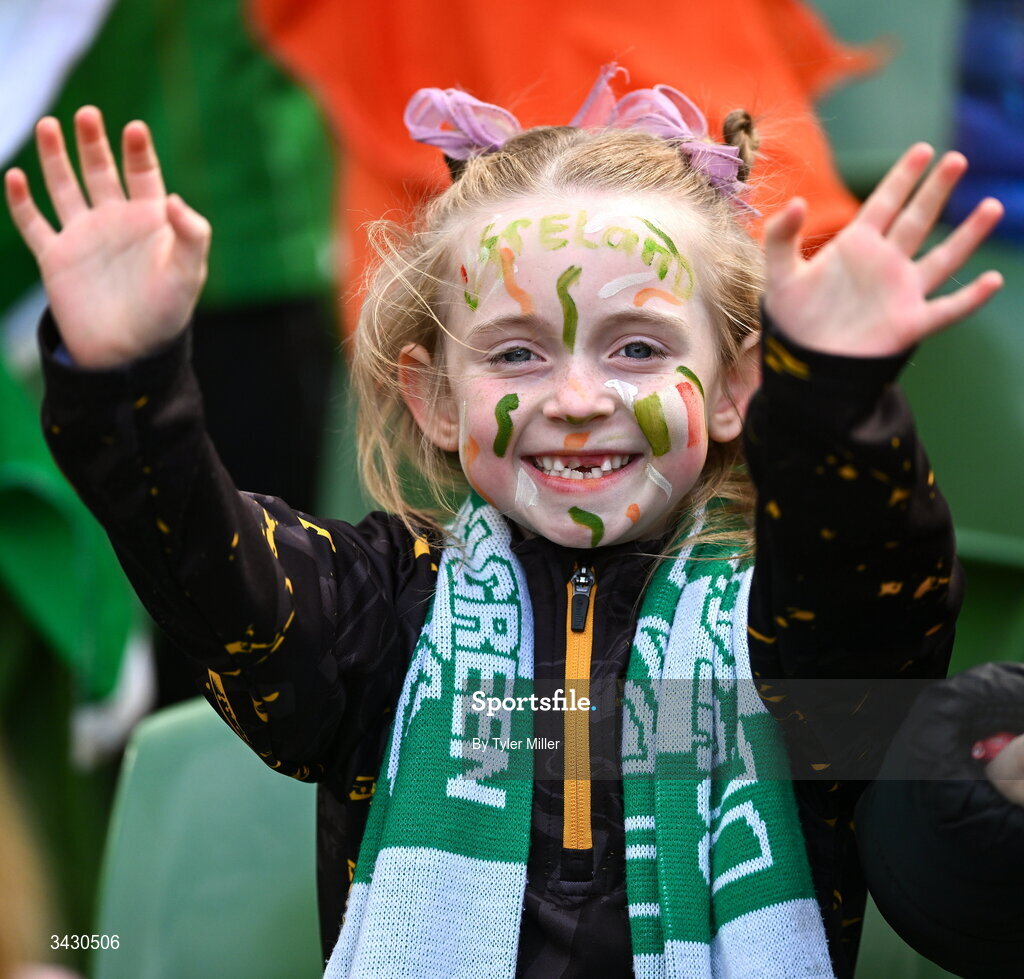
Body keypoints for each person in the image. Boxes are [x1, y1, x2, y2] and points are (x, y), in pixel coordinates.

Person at [4, 66, 1004, 978]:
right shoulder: (373, 613)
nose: (576, 398)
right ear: (436, 398)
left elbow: (877, 585)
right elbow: (205, 568)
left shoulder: (783, 626)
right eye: (517, 354)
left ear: (738, 385)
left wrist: (834, 396)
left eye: (639, 348)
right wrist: (126, 380)